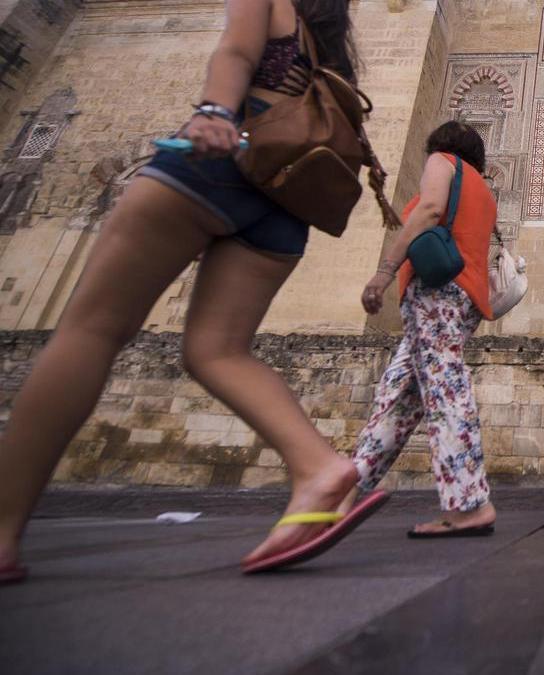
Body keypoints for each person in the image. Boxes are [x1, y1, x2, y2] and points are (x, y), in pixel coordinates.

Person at [0, 0, 388, 583]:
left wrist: (213, 110)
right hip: (283, 206)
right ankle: (318, 466)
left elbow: (234, 50)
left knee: (90, 329)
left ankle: (2, 531)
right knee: (217, 351)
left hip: (218, 164)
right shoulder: (332, 47)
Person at [338, 120, 497, 538]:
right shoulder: (482, 188)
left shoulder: (441, 162)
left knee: (446, 391)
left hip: (438, 295)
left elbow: (428, 212)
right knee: (397, 396)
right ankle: (346, 492)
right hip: (460, 299)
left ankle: (468, 505)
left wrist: (384, 271)